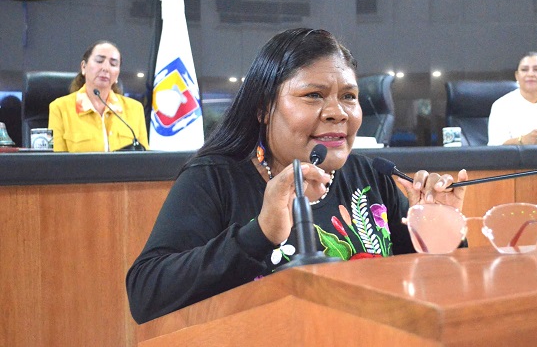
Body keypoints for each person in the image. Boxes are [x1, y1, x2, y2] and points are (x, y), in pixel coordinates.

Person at [126, 28, 468, 324]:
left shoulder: (371, 177)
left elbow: (434, 290)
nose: (338, 113)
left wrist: (438, 228)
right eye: (313, 95)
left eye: (349, 97)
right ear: (263, 107)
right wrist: (259, 233)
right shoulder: (215, 179)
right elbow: (145, 293)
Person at [48, 40, 149, 152]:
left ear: (117, 73)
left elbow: (144, 158)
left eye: (113, 64)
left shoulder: (135, 109)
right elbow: (57, 160)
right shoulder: (60, 108)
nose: (105, 68)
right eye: (99, 61)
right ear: (83, 67)